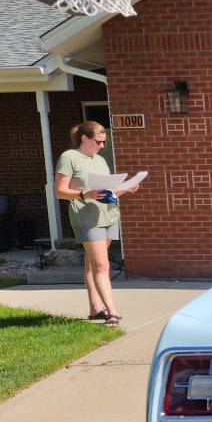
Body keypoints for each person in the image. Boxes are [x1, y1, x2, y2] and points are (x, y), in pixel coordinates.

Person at [54, 121, 141, 328]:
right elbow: (60, 191)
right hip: (86, 218)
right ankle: (112, 312)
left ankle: (95, 309)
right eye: (98, 141)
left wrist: (125, 189)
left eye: (104, 142)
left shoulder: (100, 160)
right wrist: (85, 193)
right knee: (102, 265)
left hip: (108, 214)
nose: (102, 146)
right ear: (84, 138)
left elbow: (107, 192)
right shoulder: (69, 157)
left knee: (92, 263)